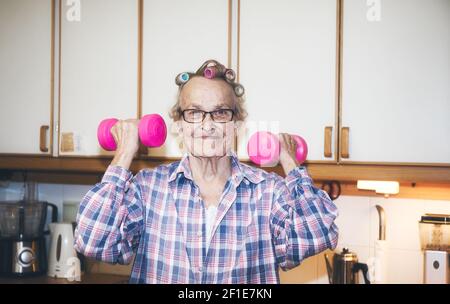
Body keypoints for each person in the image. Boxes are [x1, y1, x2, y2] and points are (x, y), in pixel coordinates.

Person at [74, 59, 339, 284]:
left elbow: (314, 236)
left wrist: (289, 161)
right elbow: (94, 241)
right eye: (194, 112)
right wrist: (124, 153)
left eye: (220, 113)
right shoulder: (147, 188)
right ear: (178, 123)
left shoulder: (268, 191)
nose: (207, 124)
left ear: (236, 124)